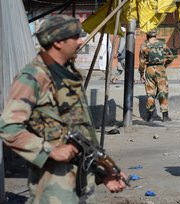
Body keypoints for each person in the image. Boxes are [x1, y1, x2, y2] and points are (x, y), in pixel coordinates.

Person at [0, 15, 126, 203]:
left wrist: (102, 174)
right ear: (58, 42)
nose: (81, 41)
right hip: (53, 189)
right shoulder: (34, 76)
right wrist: (49, 151)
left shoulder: (69, 75)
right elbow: (9, 127)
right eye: (75, 37)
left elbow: (80, 135)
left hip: (79, 184)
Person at [139, 29, 174, 122]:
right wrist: (164, 66)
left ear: (147, 35)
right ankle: (165, 116)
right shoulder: (162, 44)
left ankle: (150, 117)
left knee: (150, 93)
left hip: (149, 69)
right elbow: (171, 57)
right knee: (163, 91)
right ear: (155, 35)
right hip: (160, 69)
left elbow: (142, 62)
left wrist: (141, 73)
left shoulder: (144, 45)